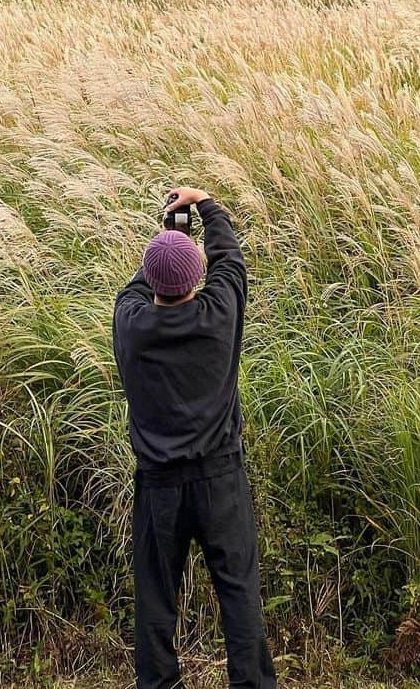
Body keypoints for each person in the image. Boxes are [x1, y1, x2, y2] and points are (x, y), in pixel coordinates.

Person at [112, 185, 277, 689]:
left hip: (159, 483)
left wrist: (168, 239)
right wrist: (205, 204)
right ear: (197, 279)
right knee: (239, 597)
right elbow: (230, 262)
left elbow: (141, 286)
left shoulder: (132, 324)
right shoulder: (219, 316)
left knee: (156, 602)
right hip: (220, 478)